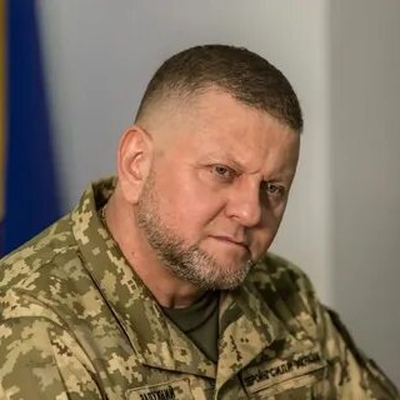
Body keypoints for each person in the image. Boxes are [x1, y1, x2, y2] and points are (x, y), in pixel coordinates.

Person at [0, 45, 398, 400]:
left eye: (273, 188)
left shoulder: (283, 292)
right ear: (137, 164)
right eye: (222, 171)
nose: (251, 212)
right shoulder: (29, 323)